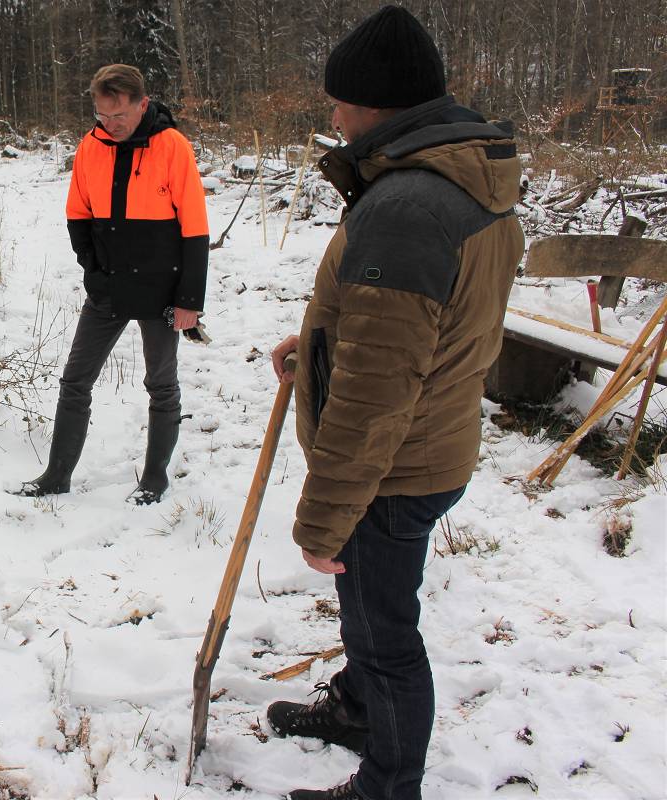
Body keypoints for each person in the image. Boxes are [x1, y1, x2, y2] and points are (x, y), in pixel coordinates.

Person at [264, 6, 524, 800]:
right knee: (371, 613)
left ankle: (387, 781)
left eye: (340, 101)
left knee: (385, 639)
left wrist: (324, 518)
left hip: (392, 470)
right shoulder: (459, 175)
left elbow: (376, 393)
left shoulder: (408, 205)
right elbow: (417, 327)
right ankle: (356, 708)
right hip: (431, 442)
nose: (334, 116)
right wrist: (314, 344)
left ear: (379, 106)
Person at [13, 64, 208, 505]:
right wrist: (94, 272)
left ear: (142, 104)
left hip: (163, 290)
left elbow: (195, 229)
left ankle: (154, 479)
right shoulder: (90, 146)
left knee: (161, 384)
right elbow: (78, 215)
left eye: (119, 116)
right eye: (103, 116)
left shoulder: (172, 146)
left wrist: (190, 300)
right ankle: (56, 475)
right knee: (75, 380)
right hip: (109, 289)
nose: (111, 125)